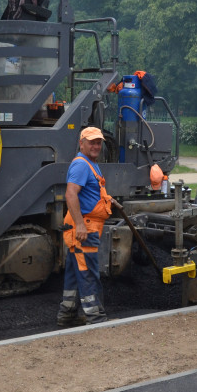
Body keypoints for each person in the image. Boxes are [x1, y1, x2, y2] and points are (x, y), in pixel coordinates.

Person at [57, 126, 113, 328]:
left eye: (98, 142)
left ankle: (67, 315)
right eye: (92, 142)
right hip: (84, 228)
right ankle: (95, 318)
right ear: (81, 143)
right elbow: (71, 194)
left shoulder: (91, 164)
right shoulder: (81, 164)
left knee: (74, 272)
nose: (96, 146)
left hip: (85, 226)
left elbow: (87, 192)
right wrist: (80, 224)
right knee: (88, 272)